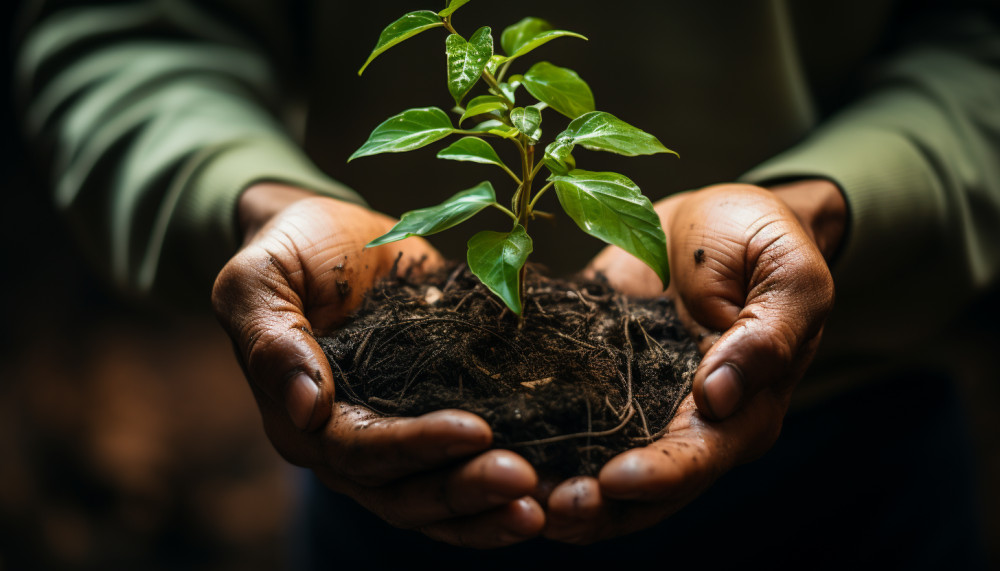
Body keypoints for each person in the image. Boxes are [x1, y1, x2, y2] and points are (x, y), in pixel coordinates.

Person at [16, 0, 998, 565]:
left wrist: (824, 206)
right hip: (390, 497)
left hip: (852, 464)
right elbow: (126, 29)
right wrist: (255, 201)